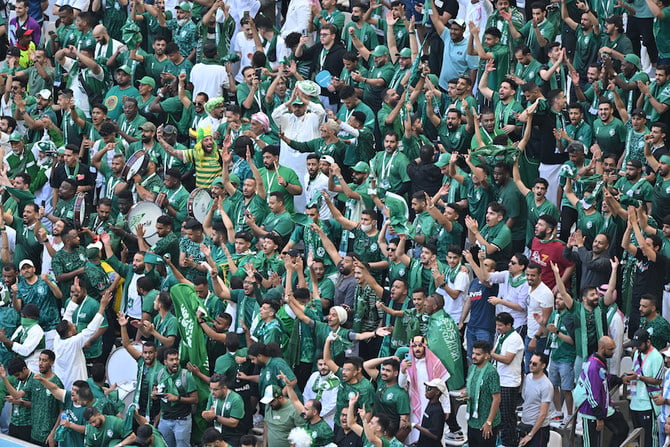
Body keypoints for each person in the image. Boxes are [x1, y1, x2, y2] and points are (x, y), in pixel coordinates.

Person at [575, 336, 629, 447]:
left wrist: (619, 379)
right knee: (590, 444)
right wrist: (599, 418)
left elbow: (604, 377)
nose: (613, 351)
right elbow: (592, 395)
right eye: (610, 349)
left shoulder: (599, 361)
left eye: (614, 348)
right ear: (601, 348)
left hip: (603, 406)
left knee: (622, 429)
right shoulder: (593, 367)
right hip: (590, 411)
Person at [623, 329, 664, 447]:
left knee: (649, 439)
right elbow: (635, 371)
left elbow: (658, 380)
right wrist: (628, 376)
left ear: (648, 342)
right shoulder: (637, 353)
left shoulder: (656, 357)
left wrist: (639, 377)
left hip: (648, 404)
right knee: (638, 438)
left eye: (639, 345)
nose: (637, 348)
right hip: (635, 401)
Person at [465, 340, 501, 447]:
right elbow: (473, 388)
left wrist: (489, 422)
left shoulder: (491, 372)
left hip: (486, 422)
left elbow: (497, 398)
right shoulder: (472, 368)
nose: (474, 356)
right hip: (472, 420)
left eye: (478, 354)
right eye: (473, 353)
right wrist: (466, 394)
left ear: (486, 356)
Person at [518, 352, 553, 447]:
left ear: (543, 366)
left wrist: (531, 434)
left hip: (538, 429)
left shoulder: (546, 385)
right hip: (525, 424)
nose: (530, 365)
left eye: (534, 364)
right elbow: (526, 399)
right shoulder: (528, 377)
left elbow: (543, 414)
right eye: (530, 362)